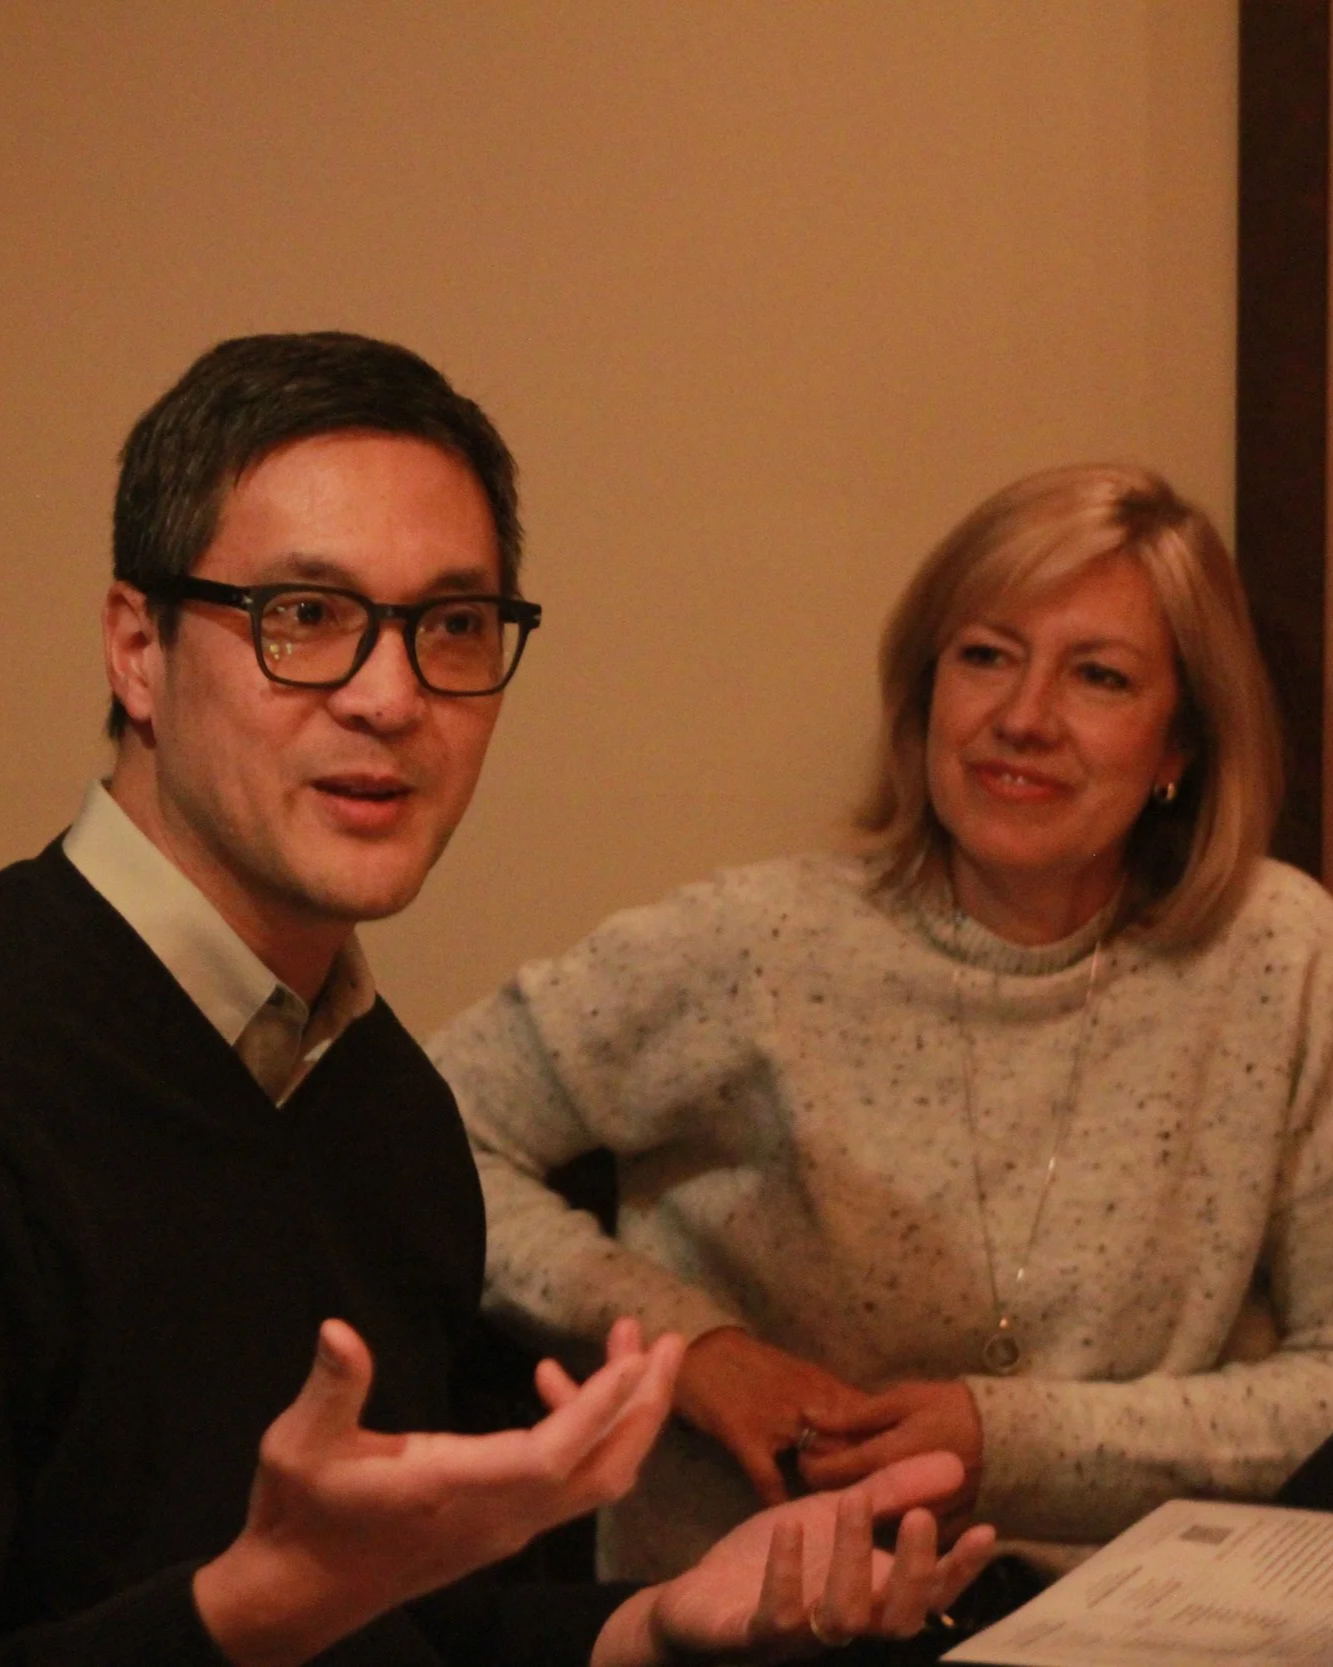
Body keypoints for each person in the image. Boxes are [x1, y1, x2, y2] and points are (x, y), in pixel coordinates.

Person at [0, 332, 996, 1666]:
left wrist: (655, 1619)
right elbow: (289, 1608)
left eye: (452, 626)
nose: (391, 695)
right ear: (139, 648)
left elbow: (405, 1624)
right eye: (304, 615)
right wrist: (249, 1611)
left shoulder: (388, 1106)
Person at [431, 462, 1333, 1586]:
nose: (1021, 716)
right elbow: (419, 1138)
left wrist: (1008, 1437)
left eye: (1096, 676)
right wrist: (686, 1344)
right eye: (985, 655)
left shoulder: (1283, 956)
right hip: (753, 1613)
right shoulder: (756, 940)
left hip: (1140, 1620)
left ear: (1176, 750)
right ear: (924, 694)